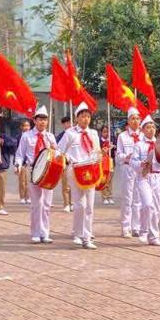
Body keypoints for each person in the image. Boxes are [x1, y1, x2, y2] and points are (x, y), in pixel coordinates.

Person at [58, 103, 101, 249]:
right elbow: (59, 151)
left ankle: (87, 237)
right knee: (79, 204)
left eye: (88, 116)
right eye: (83, 116)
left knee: (89, 205)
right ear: (77, 118)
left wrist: (101, 157)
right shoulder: (70, 133)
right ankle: (77, 233)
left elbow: (97, 151)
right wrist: (67, 159)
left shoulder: (94, 133)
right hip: (75, 171)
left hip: (90, 171)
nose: (86, 119)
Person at [16, 105, 57, 243]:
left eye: (45, 120)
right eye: (40, 119)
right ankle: (35, 232)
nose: (42, 122)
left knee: (46, 204)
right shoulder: (26, 136)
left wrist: (55, 149)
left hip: (48, 172)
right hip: (33, 170)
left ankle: (45, 233)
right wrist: (18, 165)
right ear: (35, 120)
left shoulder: (50, 137)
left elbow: (57, 154)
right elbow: (20, 154)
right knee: (36, 203)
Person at [129, 115, 160, 246]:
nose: (151, 129)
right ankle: (144, 230)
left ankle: (154, 236)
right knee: (147, 204)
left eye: (153, 127)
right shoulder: (139, 145)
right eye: (148, 127)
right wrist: (141, 163)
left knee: (156, 207)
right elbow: (133, 162)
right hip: (144, 177)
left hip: (157, 177)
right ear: (142, 129)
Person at [115, 107, 143, 237]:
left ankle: (136, 226)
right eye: (133, 118)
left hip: (140, 170)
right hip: (128, 169)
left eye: (137, 118)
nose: (135, 121)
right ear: (128, 121)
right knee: (127, 198)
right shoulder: (122, 136)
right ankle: (126, 227)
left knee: (138, 199)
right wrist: (125, 157)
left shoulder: (143, 136)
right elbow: (118, 155)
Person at [56, 116, 73, 212]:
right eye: (65, 123)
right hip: (65, 163)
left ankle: (73, 203)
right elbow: (58, 149)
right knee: (66, 185)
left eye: (69, 122)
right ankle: (66, 203)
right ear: (63, 125)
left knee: (74, 185)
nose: (68, 125)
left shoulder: (76, 134)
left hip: (75, 163)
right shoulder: (61, 136)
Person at [15, 119, 32, 205]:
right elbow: (18, 151)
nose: (26, 127)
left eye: (28, 126)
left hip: (29, 162)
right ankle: (22, 197)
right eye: (25, 126)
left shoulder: (32, 136)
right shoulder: (18, 137)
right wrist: (17, 164)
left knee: (29, 181)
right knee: (22, 181)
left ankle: (28, 197)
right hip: (21, 162)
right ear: (21, 127)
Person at [100, 123, 115, 205]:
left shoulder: (112, 139)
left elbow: (116, 148)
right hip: (103, 161)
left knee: (110, 179)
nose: (106, 134)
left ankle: (110, 196)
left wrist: (113, 146)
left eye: (107, 132)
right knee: (104, 179)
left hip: (111, 161)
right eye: (104, 132)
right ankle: (104, 196)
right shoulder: (99, 140)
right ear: (101, 132)